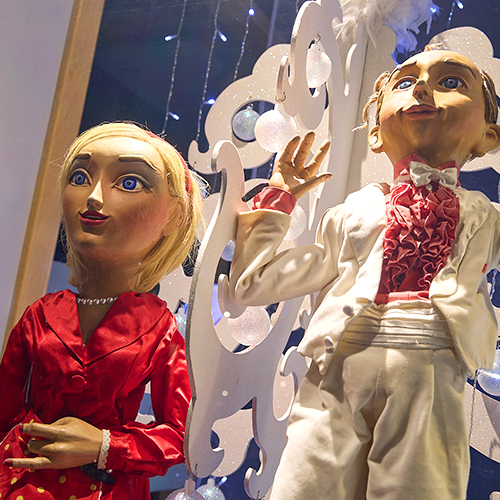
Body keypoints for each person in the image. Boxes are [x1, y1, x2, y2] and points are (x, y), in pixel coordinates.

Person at [229, 48, 500, 500]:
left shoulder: (485, 218)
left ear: (489, 135)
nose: (422, 88)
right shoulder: (352, 213)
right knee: (304, 485)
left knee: (419, 488)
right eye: (404, 82)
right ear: (375, 131)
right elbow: (252, 285)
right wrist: (278, 199)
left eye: (451, 82)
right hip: (337, 365)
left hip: (431, 373)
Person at [0, 122, 203, 499]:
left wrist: (105, 445)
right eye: (79, 177)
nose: (93, 197)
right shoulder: (41, 315)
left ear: (174, 215)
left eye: (130, 182)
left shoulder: (159, 329)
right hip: (20, 481)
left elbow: (181, 435)